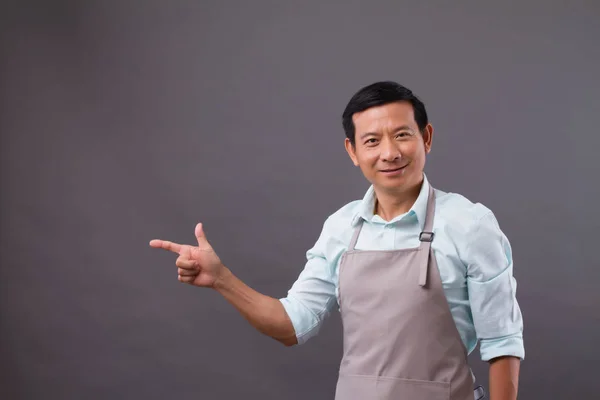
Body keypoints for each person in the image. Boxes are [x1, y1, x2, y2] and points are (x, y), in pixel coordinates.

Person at [149, 81, 524, 400]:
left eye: (402, 135)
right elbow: (292, 325)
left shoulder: (470, 224)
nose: (389, 153)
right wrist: (221, 279)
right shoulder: (341, 227)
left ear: (426, 137)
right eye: (372, 141)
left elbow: (503, 345)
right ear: (353, 152)